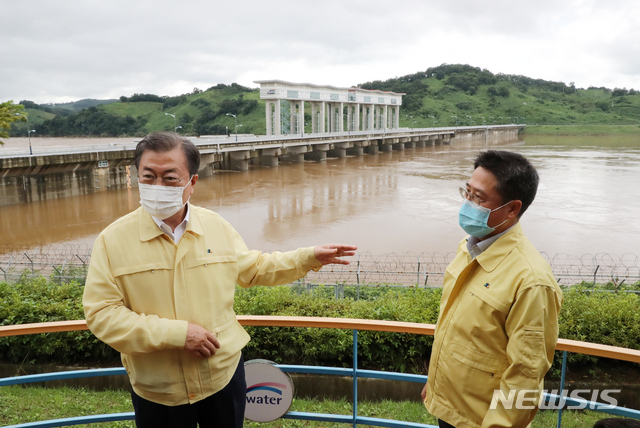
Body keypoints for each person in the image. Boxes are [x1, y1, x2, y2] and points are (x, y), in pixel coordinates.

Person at [83, 132, 357, 428]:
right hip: (158, 391)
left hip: (222, 377)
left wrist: (308, 257)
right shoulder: (112, 240)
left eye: (170, 178)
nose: (157, 186)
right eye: (148, 177)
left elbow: (255, 268)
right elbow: (102, 314)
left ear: (192, 183)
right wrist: (177, 334)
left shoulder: (216, 227)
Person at [421, 150, 563, 428]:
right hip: (450, 408)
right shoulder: (471, 247)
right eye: (467, 192)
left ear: (512, 209)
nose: (468, 203)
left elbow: (526, 373)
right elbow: (456, 329)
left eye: (479, 198)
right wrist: (435, 386)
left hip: (481, 421)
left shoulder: (531, 281)